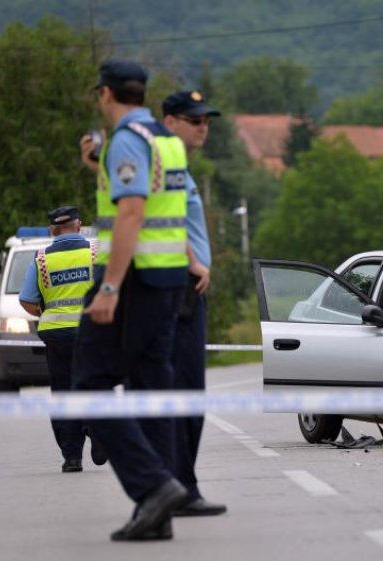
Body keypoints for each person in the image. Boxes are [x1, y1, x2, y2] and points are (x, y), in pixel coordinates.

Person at [74, 59, 190, 541]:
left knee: (88, 387)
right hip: (168, 281)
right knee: (149, 389)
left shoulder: (125, 141)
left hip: (133, 282)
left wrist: (108, 287)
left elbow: (132, 213)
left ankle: (154, 486)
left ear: (105, 94)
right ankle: (157, 509)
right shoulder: (165, 139)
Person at [161, 90, 226, 516]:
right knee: (184, 391)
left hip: (184, 287)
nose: (203, 126)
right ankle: (179, 487)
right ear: (171, 121)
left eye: (206, 120)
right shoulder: (166, 157)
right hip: (178, 285)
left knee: (188, 391)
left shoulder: (179, 162)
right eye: (194, 119)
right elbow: (160, 214)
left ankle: (181, 484)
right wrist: (193, 262)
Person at [18, 207, 107, 473]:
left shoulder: (42, 259)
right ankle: (98, 428)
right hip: (92, 332)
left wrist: (46, 312)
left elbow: (26, 299)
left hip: (57, 336)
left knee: (63, 392)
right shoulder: (95, 252)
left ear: (53, 230)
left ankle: (72, 457)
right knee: (95, 383)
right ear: (79, 225)